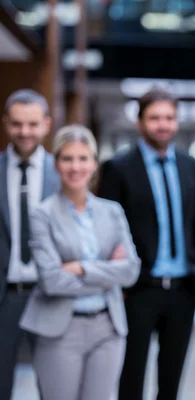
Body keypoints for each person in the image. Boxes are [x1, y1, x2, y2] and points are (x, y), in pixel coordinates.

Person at [97, 88, 195, 400]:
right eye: (155, 117)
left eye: (169, 118)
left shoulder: (189, 165)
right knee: (130, 379)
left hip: (183, 289)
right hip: (138, 290)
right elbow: (106, 229)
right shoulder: (118, 168)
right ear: (140, 122)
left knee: (170, 383)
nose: (163, 124)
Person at [19, 124, 140, 400]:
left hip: (108, 329)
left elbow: (131, 271)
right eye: (67, 158)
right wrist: (108, 273)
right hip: (60, 330)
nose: (76, 166)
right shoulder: (42, 214)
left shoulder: (112, 212)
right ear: (56, 164)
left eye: (83, 158)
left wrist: (81, 268)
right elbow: (52, 280)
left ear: (94, 164)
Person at [0, 89, 60, 398]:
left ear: (46, 124)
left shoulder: (64, 174)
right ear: (5, 123)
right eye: (17, 124)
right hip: (5, 297)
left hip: (48, 294)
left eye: (32, 124)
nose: (25, 132)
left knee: (53, 387)